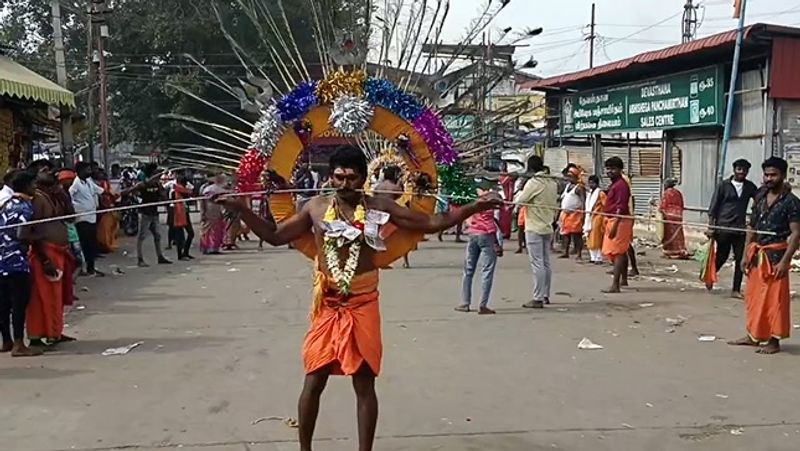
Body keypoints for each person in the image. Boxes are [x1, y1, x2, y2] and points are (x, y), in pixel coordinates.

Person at [216, 146, 499, 451]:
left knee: (364, 382)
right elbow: (275, 235)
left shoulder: (380, 206)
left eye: (352, 178)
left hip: (363, 302)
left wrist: (474, 206)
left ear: (364, 178)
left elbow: (430, 222)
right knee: (314, 379)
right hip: (328, 304)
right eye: (339, 177)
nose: (345, 184)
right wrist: (242, 209)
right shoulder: (315, 207)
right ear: (330, 177)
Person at [728, 157, 800, 355]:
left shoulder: (791, 202)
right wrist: (744, 255)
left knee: (774, 301)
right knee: (754, 298)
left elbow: (796, 233)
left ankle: (773, 340)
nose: (769, 178)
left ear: (783, 176)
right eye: (766, 175)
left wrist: (786, 261)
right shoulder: (760, 196)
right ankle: (754, 335)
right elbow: (751, 227)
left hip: (777, 257)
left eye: (773, 175)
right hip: (757, 255)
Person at [21, 161, 76, 347]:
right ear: (35, 177)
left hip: (59, 251)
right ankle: (36, 337)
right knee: (40, 297)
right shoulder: (36, 198)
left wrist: (63, 194)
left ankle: (55, 332)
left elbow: (71, 216)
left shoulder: (55, 194)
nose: (52, 172)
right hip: (44, 253)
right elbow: (32, 231)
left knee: (56, 297)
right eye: (45, 170)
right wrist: (44, 259)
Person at [0, 170, 43, 356]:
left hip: (1, 260)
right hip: (16, 261)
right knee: (19, 304)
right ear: (25, 186)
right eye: (33, 184)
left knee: (3, 304)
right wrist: (39, 235)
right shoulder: (25, 207)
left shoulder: (6, 204)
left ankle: (7, 341)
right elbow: (22, 234)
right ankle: (19, 345)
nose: (35, 187)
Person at [708, 159, 758, 298]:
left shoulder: (749, 187)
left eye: (745, 170)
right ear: (734, 170)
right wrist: (711, 226)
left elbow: (760, 197)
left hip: (740, 228)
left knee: (740, 258)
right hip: (723, 227)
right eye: (739, 169)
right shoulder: (723, 185)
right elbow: (713, 207)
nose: (742, 172)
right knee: (722, 257)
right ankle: (710, 277)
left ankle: (735, 289)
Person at [515, 155, 558, 309]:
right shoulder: (552, 183)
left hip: (534, 227)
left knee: (537, 263)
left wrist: (520, 188)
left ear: (530, 168)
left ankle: (538, 298)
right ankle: (545, 294)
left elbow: (520, 201)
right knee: (545, 262)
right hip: (548, 226)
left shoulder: (534, 183)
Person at [455, 183, 500, 315]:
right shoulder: (491, 201)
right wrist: (497, 243)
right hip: (486, 235)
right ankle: (483, 305)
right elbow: (495, 219)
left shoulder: (477, 202)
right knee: (487, 270)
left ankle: (465, 303)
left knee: (468, 270)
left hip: (473, 234)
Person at [603, 157, 634, 293]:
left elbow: (620, 207)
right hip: (614, 219)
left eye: (613, 169)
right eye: (608, 169)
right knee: (621, 250)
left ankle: (615, 285)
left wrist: (615, 224)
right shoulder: (615, 184)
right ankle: (623, 280)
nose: (610, 172)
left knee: (618, 252)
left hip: (619, 220)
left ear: (620, 170)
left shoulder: (621, 185)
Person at [70, 162, 105, 276]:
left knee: (91, 244)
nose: (90, 171)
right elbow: (69, 195)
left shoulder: (88, 182)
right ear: (80, 171)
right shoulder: (76, 184)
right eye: (87, 169)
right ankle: (83, 269)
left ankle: (91, 268)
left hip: (92, 217)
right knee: (84, 245)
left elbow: (100, 190)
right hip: (82, 218)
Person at [134, 163, 171, 267]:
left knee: (157, 235)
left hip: (154, 213)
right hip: (145, 213)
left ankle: (160, 256)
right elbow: (133, 192)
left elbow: (163, 197)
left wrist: (168, 205)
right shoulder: (143, 184)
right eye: (155, 172)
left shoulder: (157, 185)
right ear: (151, 173)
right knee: (142, 236)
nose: (158, 174)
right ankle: (140, 259)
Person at [559, 166, 585, 260]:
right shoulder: (567, 186)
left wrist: (583, 214)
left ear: (576, 177)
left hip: (575, 214)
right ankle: (566, 252)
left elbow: (583, 201)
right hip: (565, 214)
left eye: (571, 176)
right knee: (565, 234)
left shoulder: (579, 188)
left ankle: (579, 254)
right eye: (568, 176)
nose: (569, 178)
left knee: (577, 235)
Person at [659, 179, 688, 259]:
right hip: (678, 216)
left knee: (668, 234)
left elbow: (663, 206)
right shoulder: (678, 193)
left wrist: (660, 211)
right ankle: (680, 250)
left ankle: (670, 252)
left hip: (669, 217)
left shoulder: (666, 193)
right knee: (678, 235)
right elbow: (681, 204)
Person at [200, 174, 228, 255]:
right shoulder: (212, 189)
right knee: (211, 231)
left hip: (213, 212)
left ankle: (209, 248)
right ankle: (211, 248)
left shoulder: (207, 189)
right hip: (211, 212)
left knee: (211, 231)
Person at [94, 167, 120, 254]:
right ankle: (105, 245)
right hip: (102, 209)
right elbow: (102, 195)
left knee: (110, 228)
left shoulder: (105, 183)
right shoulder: (96, 184)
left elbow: (108, 193)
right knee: (104, 229)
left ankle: (108, 244)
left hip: (107, 207)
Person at [170, 175, 195, 260]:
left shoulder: (179, 189)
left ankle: (185, 253)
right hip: (178, 214)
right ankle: (181, 255)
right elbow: (189, 192)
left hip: (184, 213)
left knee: (190, 234)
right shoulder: (177, 189)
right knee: (180, 235)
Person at [583, 175, 606, 264]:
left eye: (592, 183)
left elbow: (605, 205)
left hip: (597, 217)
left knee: (597, 237)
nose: (590, 184)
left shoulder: (600, 193)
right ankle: (593, 257)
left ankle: (599, 258)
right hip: (589, 217)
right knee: (589, 237)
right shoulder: (589, 193)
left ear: (596, 183)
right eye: (589, 183)